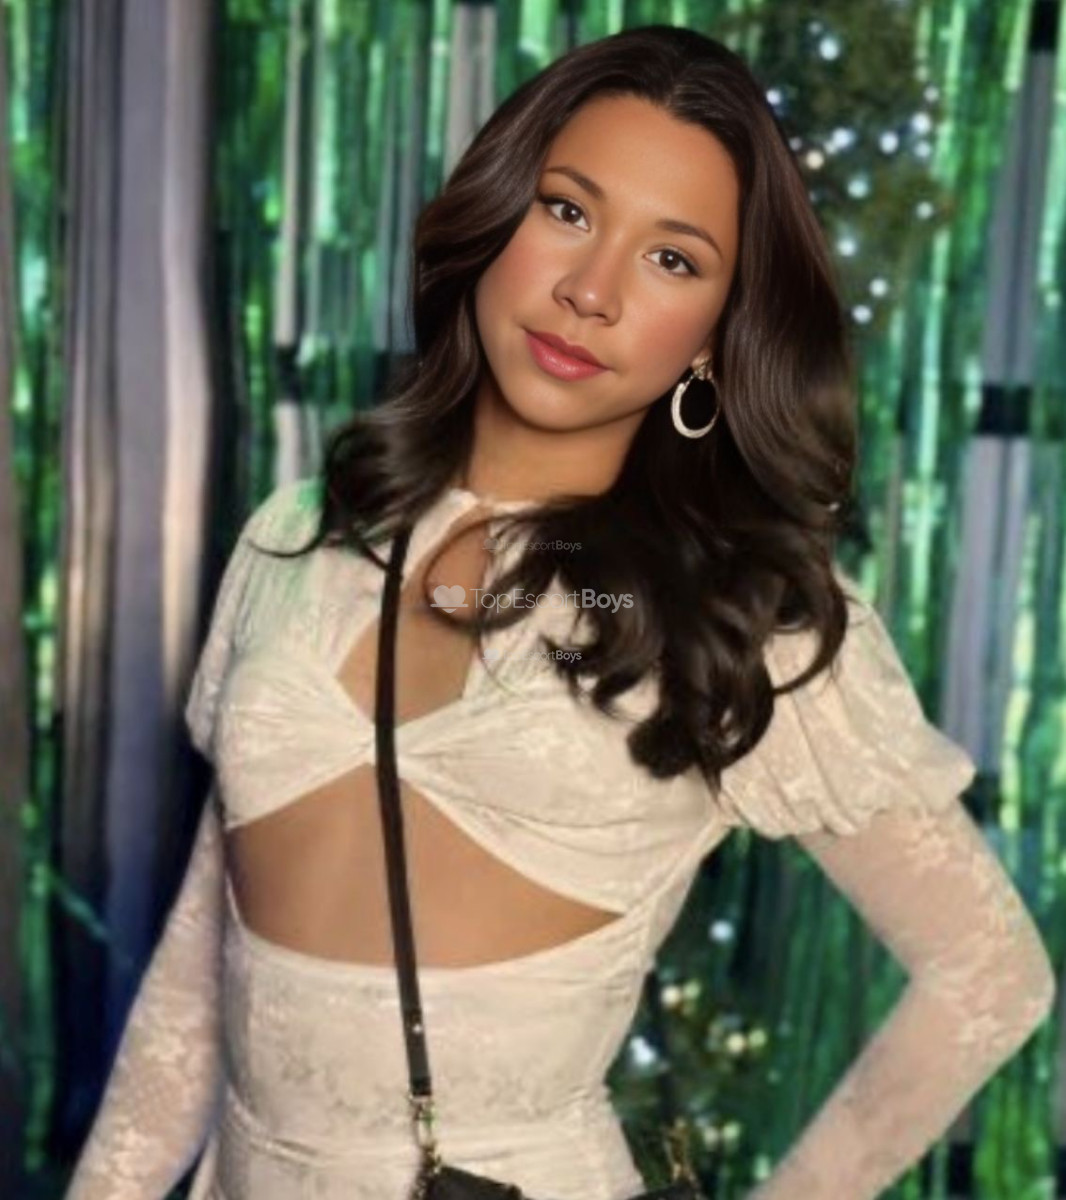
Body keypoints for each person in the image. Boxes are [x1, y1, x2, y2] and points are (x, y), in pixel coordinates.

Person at [65, 24, 1055, 1200]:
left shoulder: (730, 619)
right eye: (568, 210)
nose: (591, 292)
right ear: (496, 218)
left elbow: (989, 972)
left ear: (715, 335)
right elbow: (197, 970)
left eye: (672, 259)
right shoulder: (301, 537)